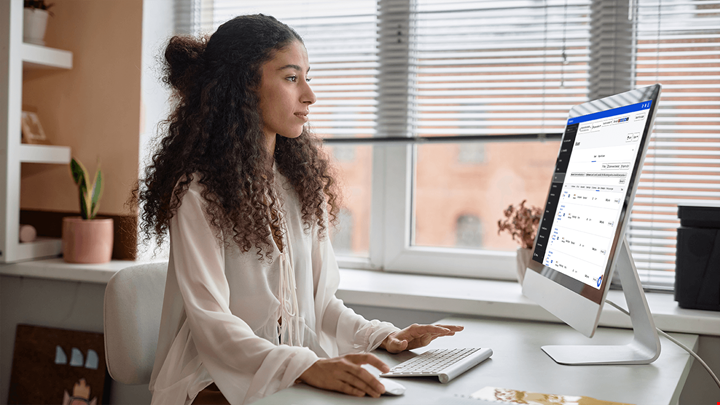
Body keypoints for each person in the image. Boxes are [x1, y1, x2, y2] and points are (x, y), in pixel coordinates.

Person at [132, 14, 463, 405]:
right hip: (209, 381)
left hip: (286, 376)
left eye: (307, 76)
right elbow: (212, 326)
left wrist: (383, 336)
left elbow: (320, 306)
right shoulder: (196, 192)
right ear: (244, 86)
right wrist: (305, 367)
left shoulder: (299, 185)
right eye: (291, 78)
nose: (309, 94)